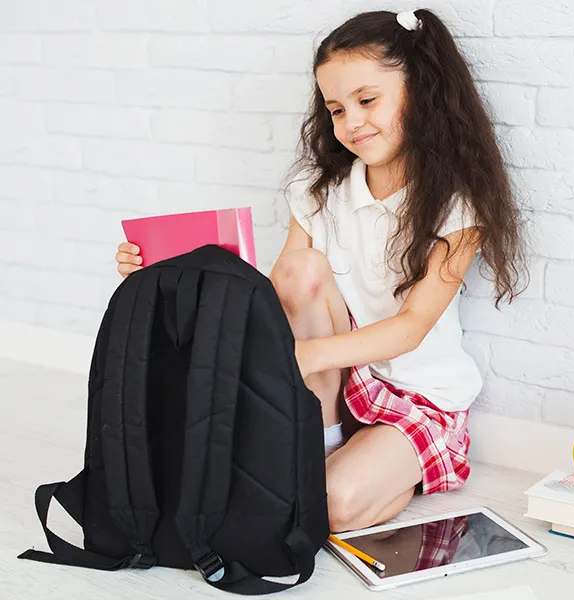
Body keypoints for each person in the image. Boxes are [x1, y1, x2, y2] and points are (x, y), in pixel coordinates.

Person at [115, 8, 527, 533]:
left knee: (330, 504)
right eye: (336, 109)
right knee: (298, 270)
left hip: (417, 399)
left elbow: (410, 328)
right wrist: (159, 275)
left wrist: (304, 355)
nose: (351, 122)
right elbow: (277, 298)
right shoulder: (319, 192)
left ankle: (372, 468)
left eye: (367, 100)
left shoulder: (456, 207)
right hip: (330, 388)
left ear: (422, 92)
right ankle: (325, 443)